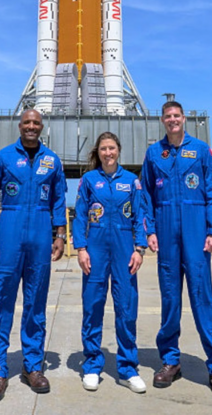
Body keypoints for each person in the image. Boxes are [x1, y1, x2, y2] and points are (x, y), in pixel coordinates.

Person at [141, 100, 212, 400]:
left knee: (202, 299)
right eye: (167, 116)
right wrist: (149, 231)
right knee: (170, 300)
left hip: (195, 233)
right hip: (166, 234)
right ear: (162, 121)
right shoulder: (154, 153)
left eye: (176, 115)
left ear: (184, 118)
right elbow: (146, 197)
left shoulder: (201, 150)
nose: (172, 120)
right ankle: (170, 361)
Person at [0, 109, 67, 403]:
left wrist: (60, 235)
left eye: (36, 123)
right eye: (27, 122)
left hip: (41, 234)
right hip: (11, 232)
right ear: (20, 126)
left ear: (42, 127)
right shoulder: (3, 157)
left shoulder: (51, 160)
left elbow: (58, 200)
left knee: (36, 303)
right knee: (2, 301)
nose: (31, 126)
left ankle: (32, 366)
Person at [72, 132, 147, 394]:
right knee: (93, 305)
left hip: (125, 248)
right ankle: (92, 364)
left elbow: (140, 217)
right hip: (96, 247)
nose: (108, 153)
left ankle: (127, 368)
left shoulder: (132, 181)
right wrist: (80, 248)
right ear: (98, 152)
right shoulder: (89, 180)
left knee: (126, 306)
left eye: (112, 148)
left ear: (119, 150)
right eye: (103, 149)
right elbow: (80, 215)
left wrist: (140, 249)